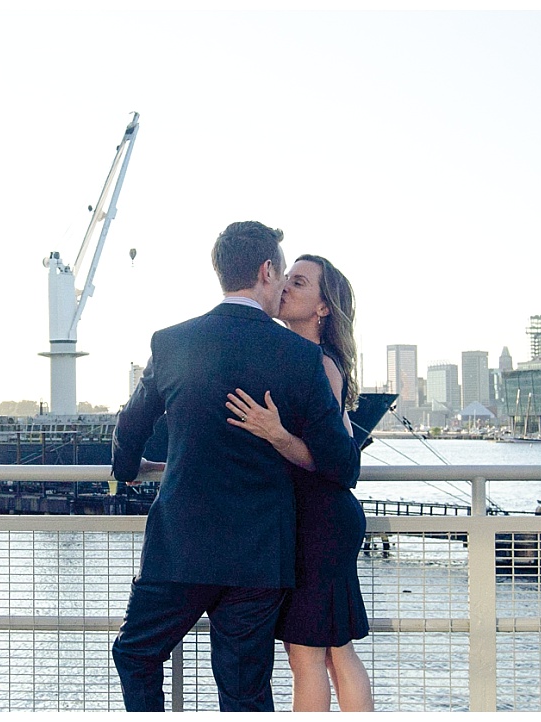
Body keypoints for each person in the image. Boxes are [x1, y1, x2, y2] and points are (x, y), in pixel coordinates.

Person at [110, 222, 360, 712]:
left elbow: (132, 421)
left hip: (180, 548)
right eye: (283, 274)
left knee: (136, 652)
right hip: (260, 557)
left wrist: (126, 467)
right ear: (267, 271)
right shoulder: (302, 356)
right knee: (244, 688)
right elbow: (342, 465)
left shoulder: (172, 342)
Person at [224, 254, 374, 711]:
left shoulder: (320, 365)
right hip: (311, 520)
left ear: (323, 308)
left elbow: (332, 460)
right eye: (287, 278)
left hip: (320, 520)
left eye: (301, 283)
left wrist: (277, 433)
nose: (286, 286)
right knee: (326, 650)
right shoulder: (299, 359)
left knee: (312, 653)